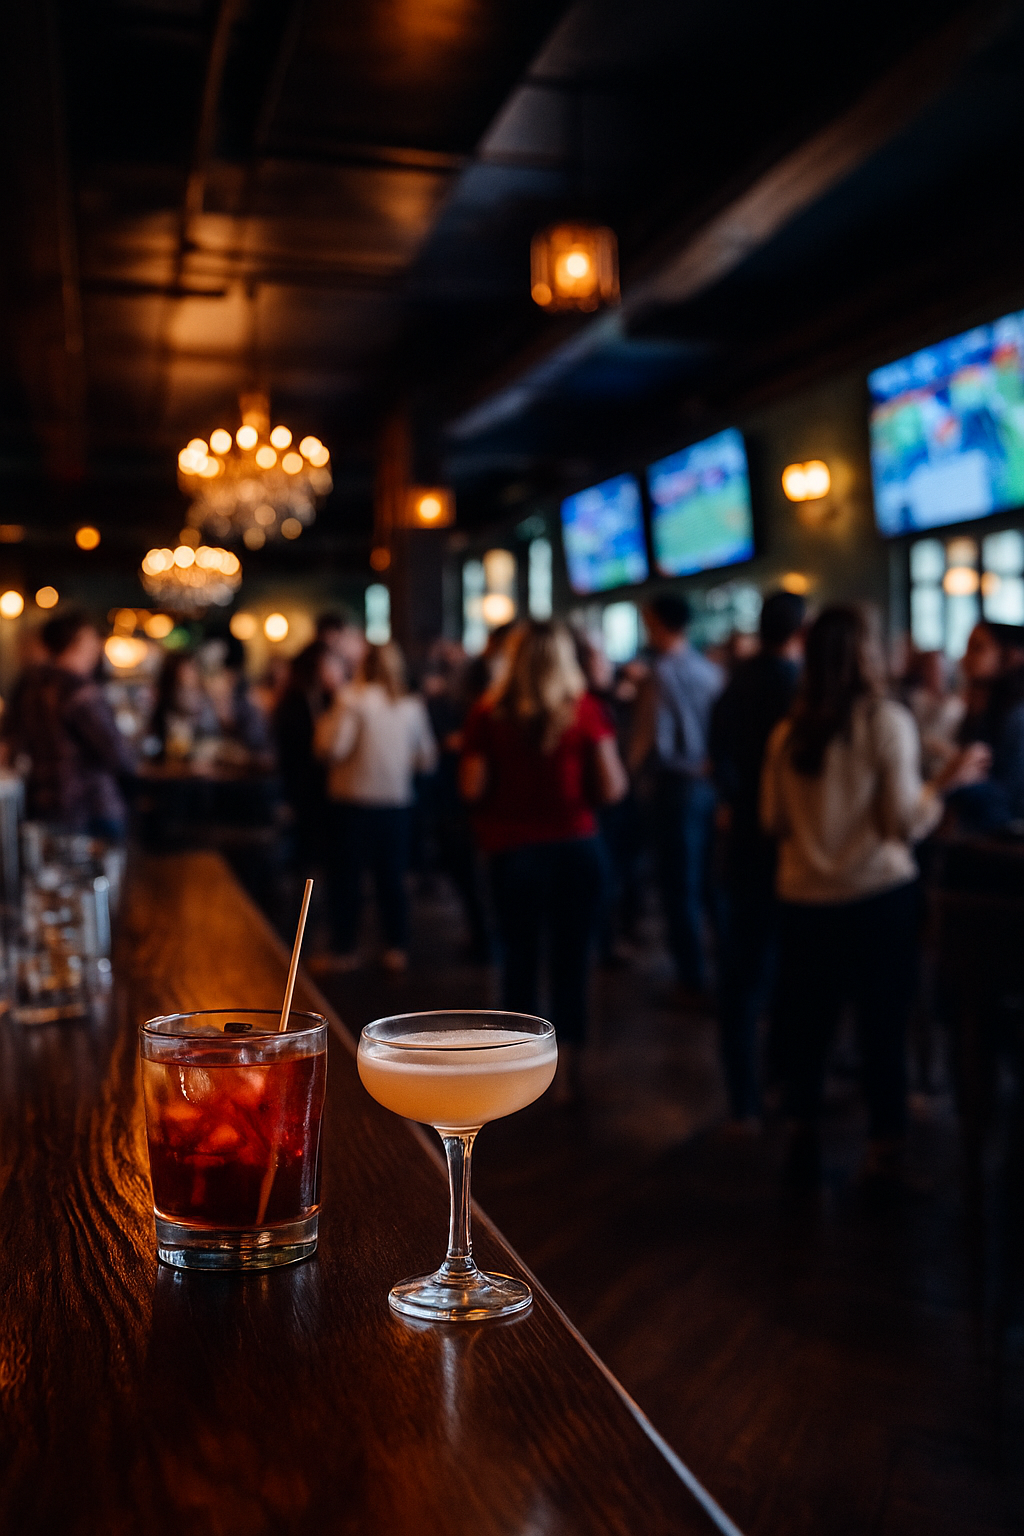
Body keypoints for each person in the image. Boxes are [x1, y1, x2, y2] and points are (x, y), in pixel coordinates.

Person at [760, 604, 988, 1187]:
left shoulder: (788, 730)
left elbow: (771, 819)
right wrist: (947, 782)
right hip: (876, 897)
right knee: (881, 1024)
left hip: (803, 898)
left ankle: (803, 1130)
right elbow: (902, 822)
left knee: (809, 1023)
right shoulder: (885, 721)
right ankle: (885, 1144)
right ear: (869, 652)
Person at [460, 621, 628, 1094]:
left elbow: (471, 786)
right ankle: (569, 1069)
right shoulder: (587, 711)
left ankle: (520, 1067)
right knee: (573, 958)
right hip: (575, 848)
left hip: (511, 853)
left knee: (519, 958)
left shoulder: (487, 713)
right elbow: (613, 787)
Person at [710, 591, 806, 1126]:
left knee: (742, 974)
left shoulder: (735, 685)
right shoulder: (796, 690)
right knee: (784, 972)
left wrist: (730, 802)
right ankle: (779, 1082)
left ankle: (743, 1093)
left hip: (742, 841)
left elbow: (717, 753)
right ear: (798, 630)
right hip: (784, 845)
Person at [314, 640, 437, 971]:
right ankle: (396, 947)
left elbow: (333, 749)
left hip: (353, 802)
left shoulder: (352, 700)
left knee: (347, 880)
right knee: (392, 879)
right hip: (396, 804)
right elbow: (426, 759)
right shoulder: (411, 704)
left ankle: (344, 950)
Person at [628, 592, 724, 995]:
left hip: (673, 788)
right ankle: (723, 970)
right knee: (708, 885)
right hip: (706, 785)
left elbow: (652, 739)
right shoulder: (710, 670)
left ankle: (691, 979)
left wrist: (630, 772)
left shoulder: (661, 674)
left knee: (677, 887)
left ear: (657, 623)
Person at [1, 610, 136, 838]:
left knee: (48, 871)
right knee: (104, 871)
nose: (98, 646)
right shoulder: (81, 692)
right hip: (90, 806)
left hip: (40, 804)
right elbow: (117, 754)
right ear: (79, 640)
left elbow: (8, 742)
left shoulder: (27, 687)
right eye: (93, 638)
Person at [273, 640, 346, 870]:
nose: (337, 670)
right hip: (304, 787)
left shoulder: (333, 700)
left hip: (327, 789)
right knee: (308, 851)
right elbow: (296, 750)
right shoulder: (295, 702)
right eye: (331, 664)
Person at [950, 620, 1024, 830]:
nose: (966, 658)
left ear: (1010, 655)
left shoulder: (1017, 716)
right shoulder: (983, 708)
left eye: (978, 648)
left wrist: (952, 783)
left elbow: (1010, 798)